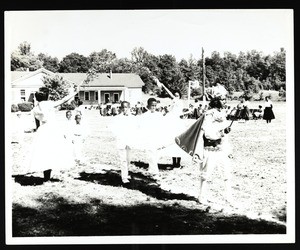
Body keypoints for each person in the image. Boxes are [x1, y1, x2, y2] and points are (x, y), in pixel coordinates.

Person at [27, 87, 79, 181]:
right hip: (53, 128)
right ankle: (49, 176)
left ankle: (46, 177)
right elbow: (63, 100)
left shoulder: (35, 108)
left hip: (43, 129)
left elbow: (37, 123)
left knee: (44, 152)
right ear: (46, 96)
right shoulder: (49, 104)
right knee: (54, 150)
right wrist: (74, 92)